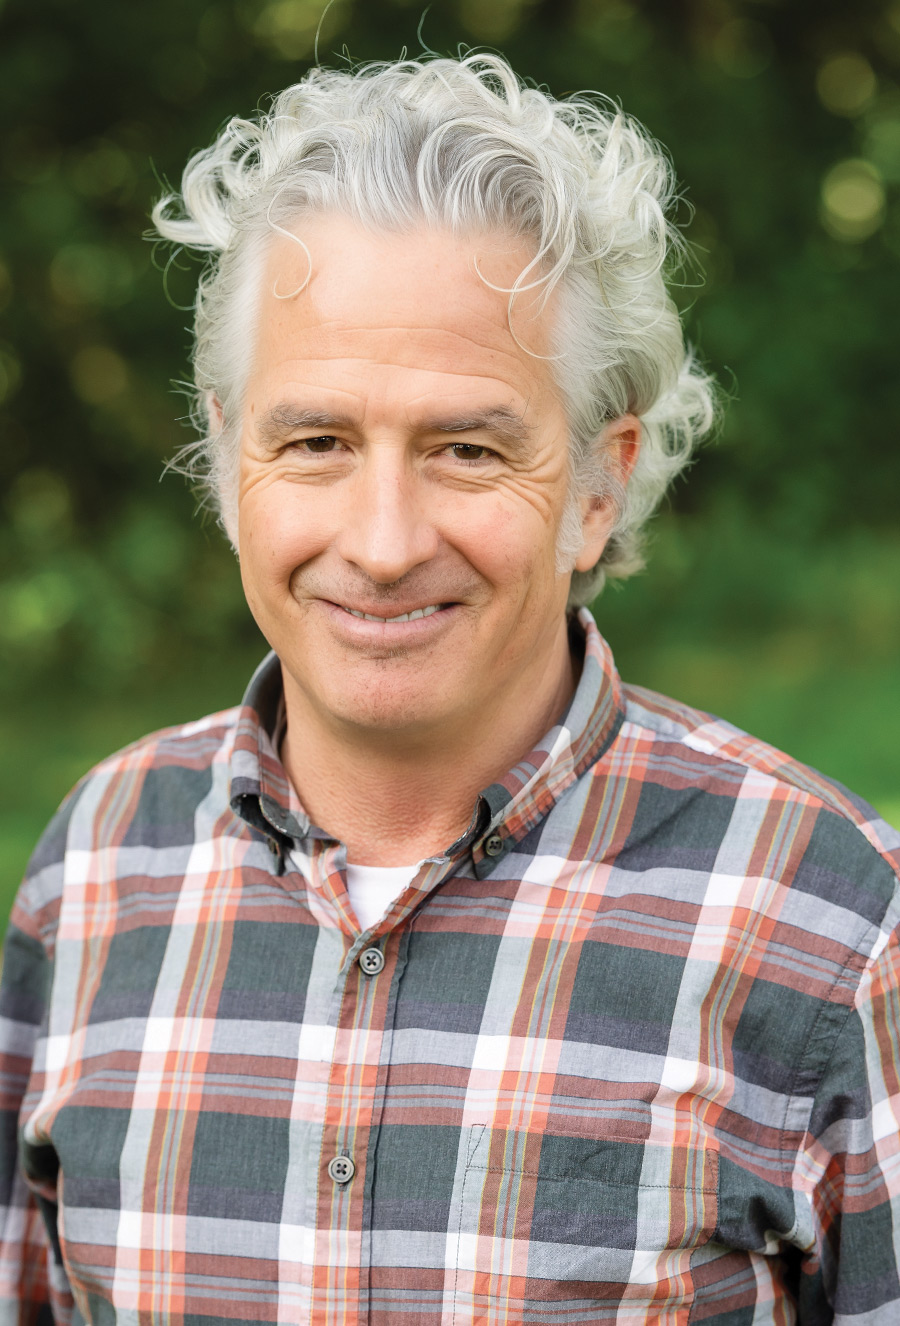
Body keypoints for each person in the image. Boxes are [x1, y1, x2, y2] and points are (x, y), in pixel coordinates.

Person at [1, 52, 899, 1325]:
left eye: (468, 450)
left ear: (598, 484)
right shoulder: (94, 873)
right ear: (226, 454)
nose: (380, 540)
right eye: (313, 442)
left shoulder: (834, 931)